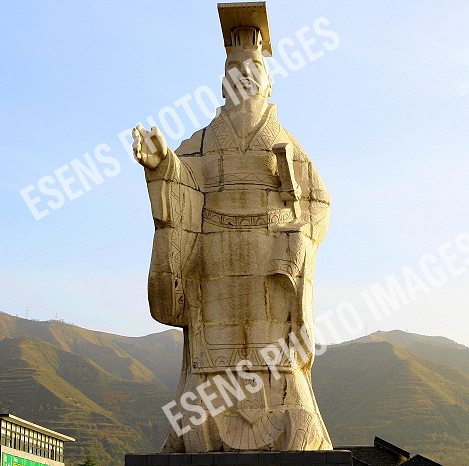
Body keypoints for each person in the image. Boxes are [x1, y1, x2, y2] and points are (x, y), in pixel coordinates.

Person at [133, 9, 331, 452]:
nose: (244, 75)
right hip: (215, 257)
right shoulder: (203, 141)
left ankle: (290, 415)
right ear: (223, 82)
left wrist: (298, 235)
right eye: (234, 69)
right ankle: (201, 422)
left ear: (269, 81)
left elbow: (319, 201)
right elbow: (182, 178)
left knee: (274, 348)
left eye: (254, 67)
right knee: (212, 347)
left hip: (270, 256)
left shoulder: (285, 142)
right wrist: (162, 162)